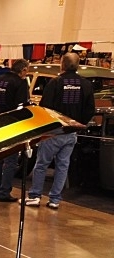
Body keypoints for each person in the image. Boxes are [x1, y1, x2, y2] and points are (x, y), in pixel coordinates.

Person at [24, 52, 96, 209]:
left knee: (41, 164)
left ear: (62, 64)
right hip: (71, 131)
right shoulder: (85, 85)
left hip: (54, 130)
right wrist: (79, 124)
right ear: (78, 65)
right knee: (63, 166)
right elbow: (91, 109)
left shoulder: (55, 83)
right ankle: (55, 199)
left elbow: (45, 107)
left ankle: (35, 196)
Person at [0, 59, 30, 201]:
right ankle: (4, 192)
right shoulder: (20, 83)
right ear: (23, 70)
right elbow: (21, 105)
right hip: (11, 124)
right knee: (10, 160)